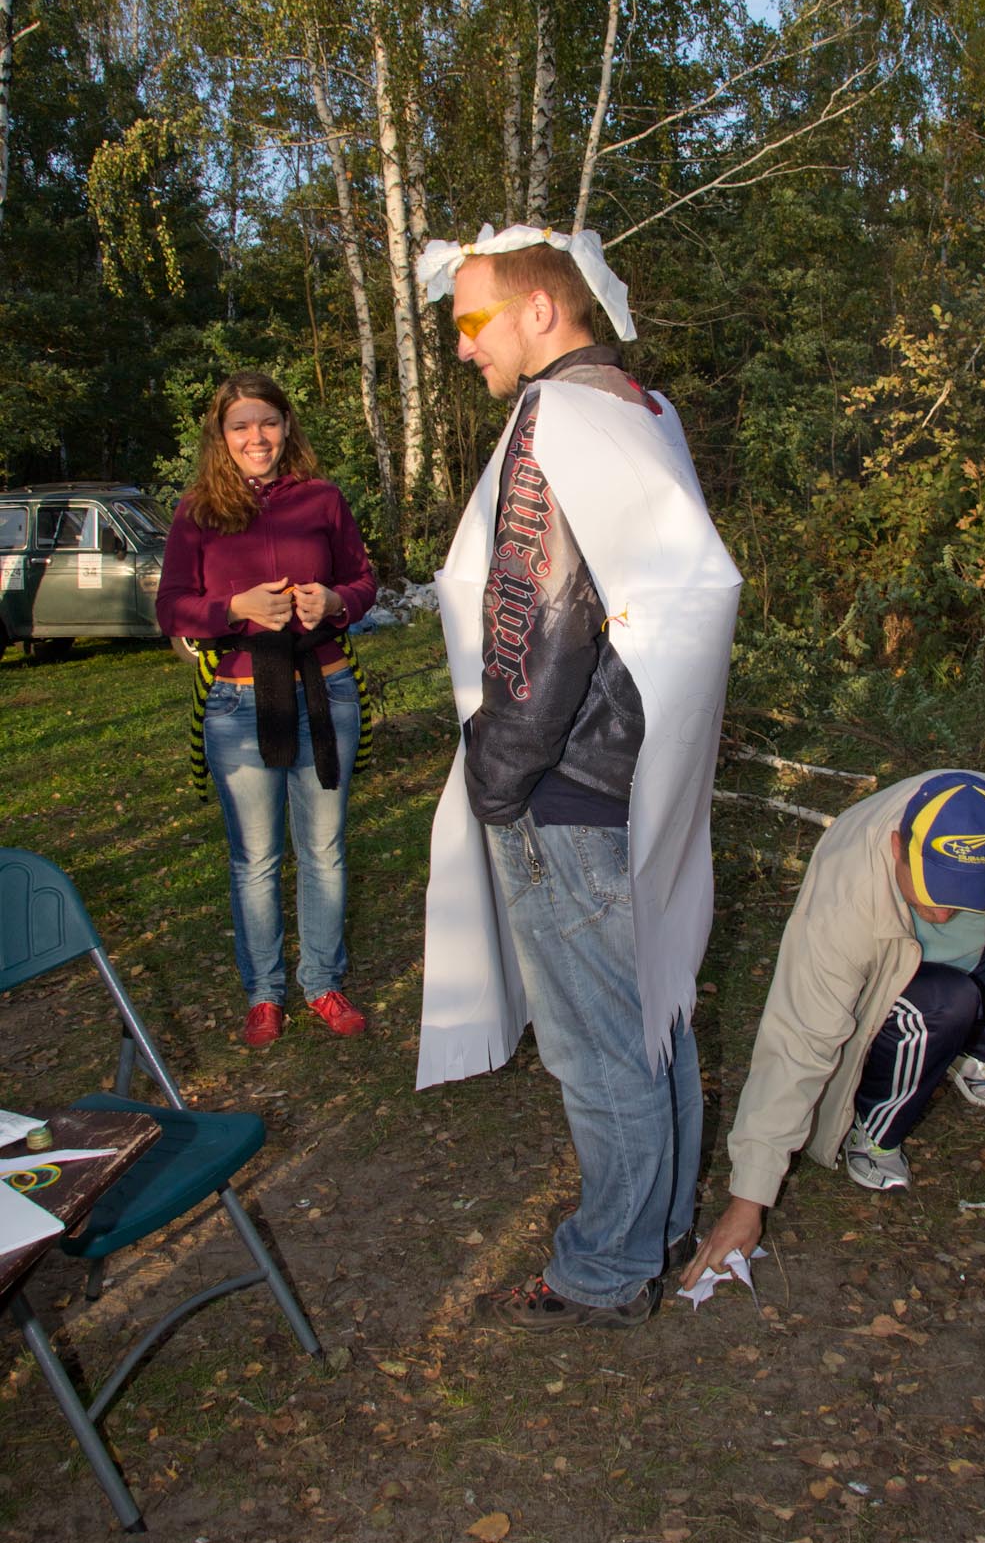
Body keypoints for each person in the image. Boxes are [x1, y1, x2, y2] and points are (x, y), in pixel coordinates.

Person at [415, 223, 741, 1331]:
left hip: (568, 787)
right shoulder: (641, 411)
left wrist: (494, 783)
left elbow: (541, 618)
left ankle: (607, 1267)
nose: (463, 345)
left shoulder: (555, 421)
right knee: (653, 1023)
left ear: (539, 309)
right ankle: (655, 1233)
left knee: (604, 1056)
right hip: (642, 780)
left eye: (472, 320)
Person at [683, 769, 985, 1285]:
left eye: (959, 893)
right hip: (891, 990)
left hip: (972, 964)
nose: (940, 910)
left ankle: (972, 1046)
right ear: (898, 847)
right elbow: (797, 1039)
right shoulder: (847, 888)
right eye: (930, 889)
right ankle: (874, 1128)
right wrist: (748, 1200)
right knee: (944, 1003)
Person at [157, 370, 377, 1048]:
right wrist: (234, 609)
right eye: (241, 425)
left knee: (323, 851)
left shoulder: (322, 498)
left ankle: (322, 981)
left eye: (269, 422)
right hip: (238, 700)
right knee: (254, 857)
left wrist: (334, 601)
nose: (257, 437)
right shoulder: (198, 511)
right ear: (220, 436)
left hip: (324, 690)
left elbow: (362, 581)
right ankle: (263, 992)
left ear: (287, 427)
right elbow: (171, 607)